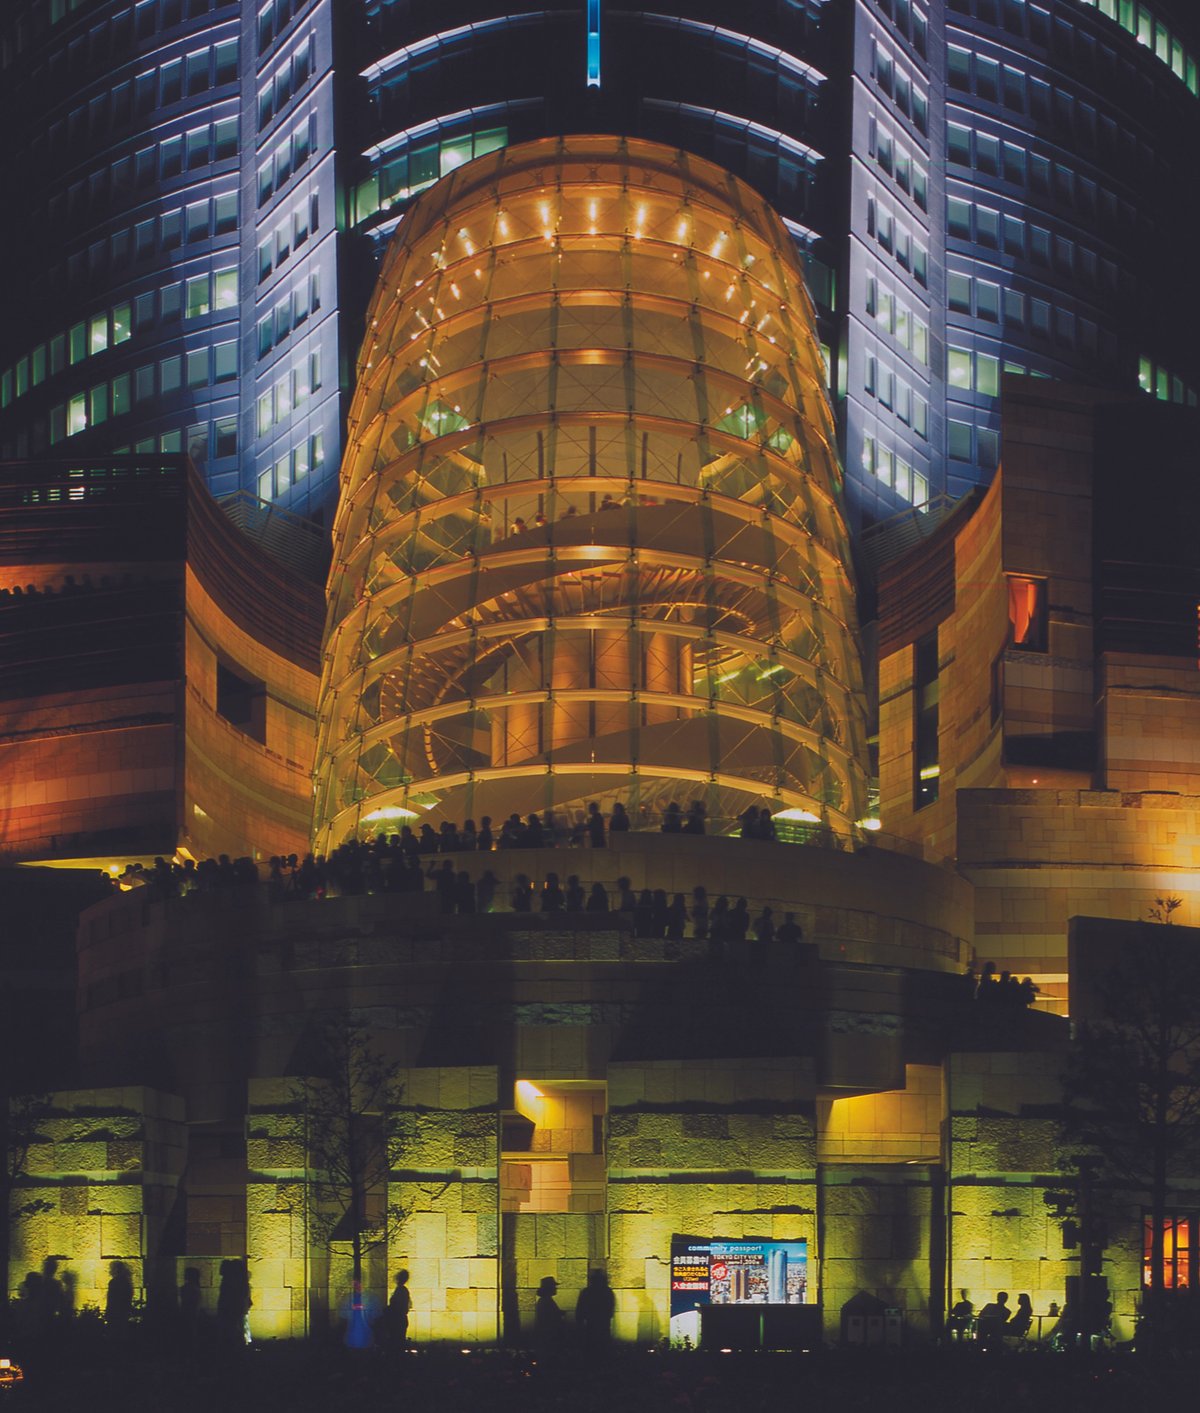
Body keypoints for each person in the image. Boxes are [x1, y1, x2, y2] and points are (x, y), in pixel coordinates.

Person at [574, 1269, 615, 1352]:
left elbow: (580, 1309)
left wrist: (580, 1321)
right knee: (602, 1345)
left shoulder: (586, 1292)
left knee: (591, 1345)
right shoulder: (607, 1291)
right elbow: (610, 1309)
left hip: (591, 1322)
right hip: (603, 1323)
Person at [534, 1275, 565, 1353]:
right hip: (548, 1336)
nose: (555, 1288)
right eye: (553, 1286)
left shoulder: (545, 1300)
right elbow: (548, 1319)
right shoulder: (546, 1301)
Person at [105, 1261, 134, 1336]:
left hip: (115, 1311)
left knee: (114, 1332)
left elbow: (111, 1298)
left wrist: (108, 1311)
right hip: (123, 1311)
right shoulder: (126, 1282)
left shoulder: (114, 1282)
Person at [388, 1270, 412, 1350]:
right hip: (400, 1319)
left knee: (397, 1343)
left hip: (397, 1319)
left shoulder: (401, 1290)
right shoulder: (402, 1290)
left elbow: (397, 1305)